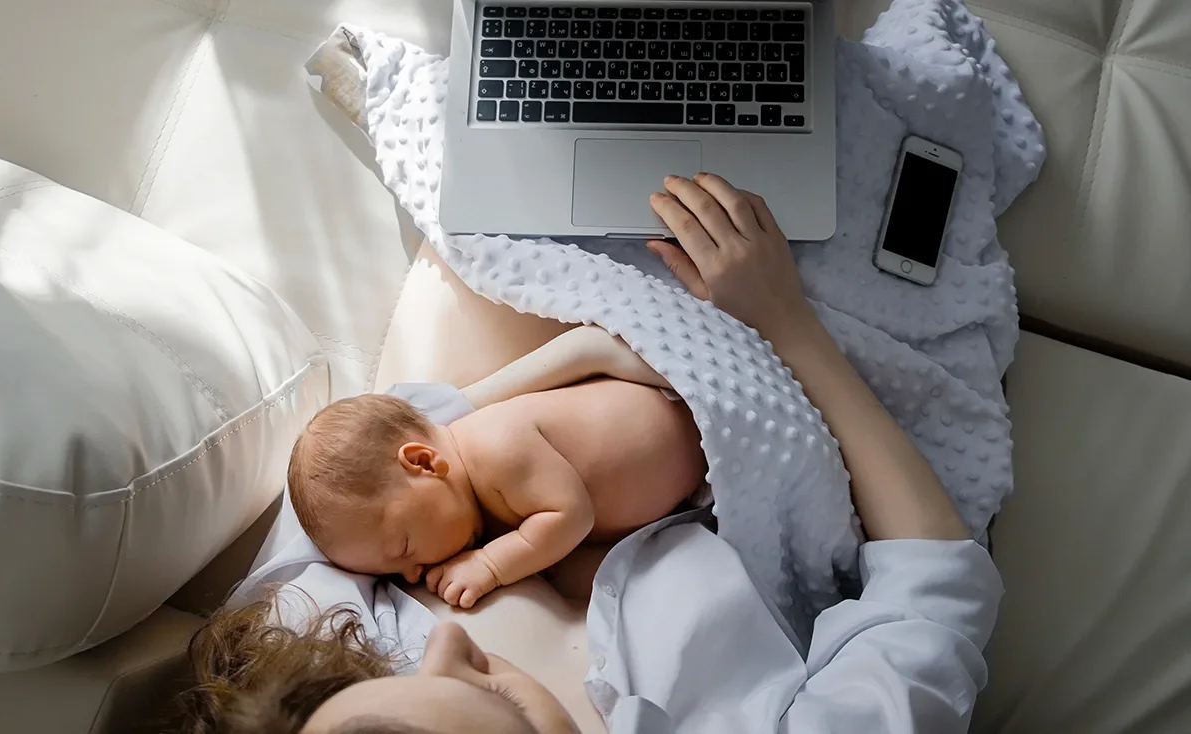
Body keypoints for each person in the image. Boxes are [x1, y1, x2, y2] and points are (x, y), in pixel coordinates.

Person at [169, 174, 1002, 734]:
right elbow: (934, 586)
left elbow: (393, 434)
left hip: (534, 391)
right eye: (491, 694)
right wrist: (785, 323)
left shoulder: (305, 641)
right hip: (746, 439)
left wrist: (522, 401)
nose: (445, 647)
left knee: (511, 161)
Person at [286, 333, 706, 609]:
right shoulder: (476, 502)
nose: (412, 574)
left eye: (405, 547)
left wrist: (491, 565)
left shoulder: (495, 448)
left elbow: (571, 516)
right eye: (394, 575)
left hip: (703, 425)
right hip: (695, 486)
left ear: (423, 463)